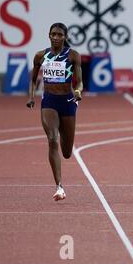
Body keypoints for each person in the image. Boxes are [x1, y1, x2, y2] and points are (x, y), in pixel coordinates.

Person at [26, 22, 83, 201]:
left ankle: (64, 153)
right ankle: (59, 186)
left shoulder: (73, 56)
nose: (56, 37)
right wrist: (31, 97)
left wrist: (78, 90)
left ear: (65, 37)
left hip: (67, 102)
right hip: (49, 101)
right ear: (49, 36)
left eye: (60, 34)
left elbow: (79, 81)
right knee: (52, 139)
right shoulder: (41, 56)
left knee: (66, 152)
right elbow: (33, 80)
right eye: (53, 34)